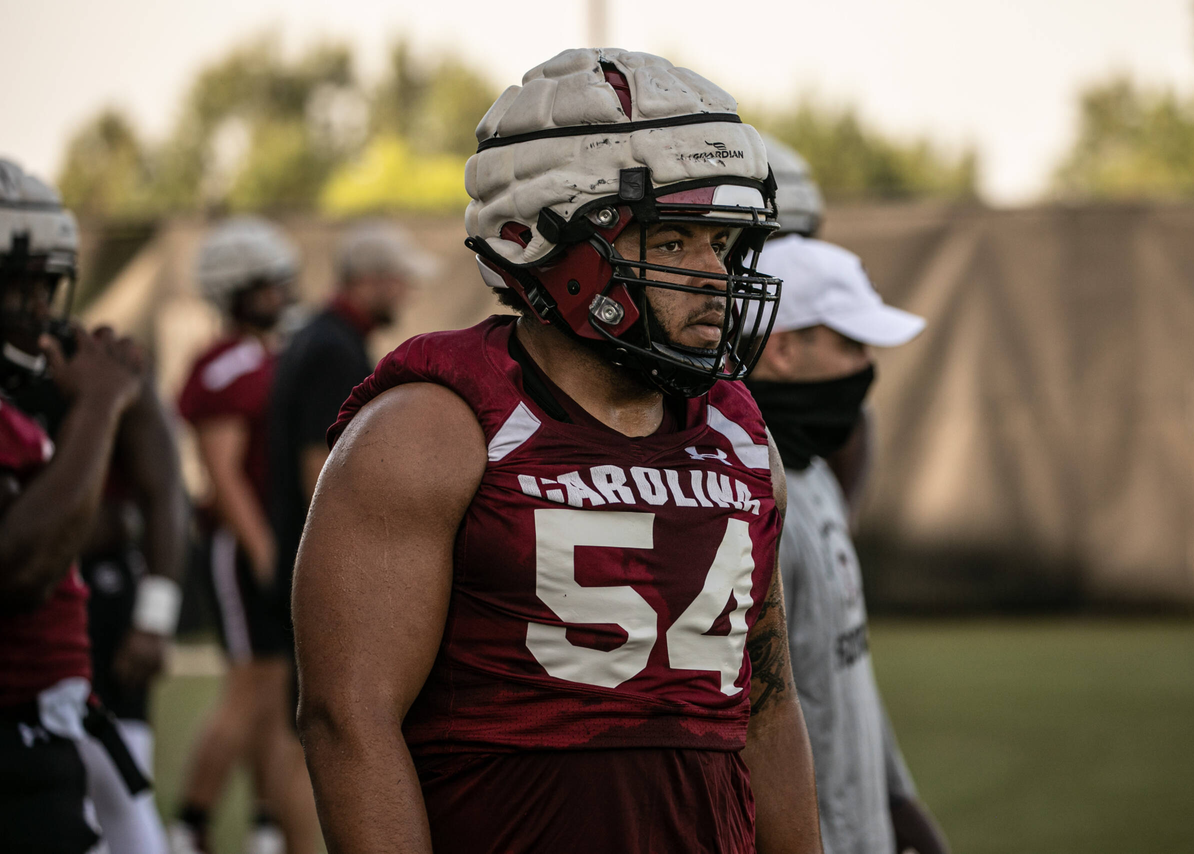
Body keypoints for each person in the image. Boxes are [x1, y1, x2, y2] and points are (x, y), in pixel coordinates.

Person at [293, 48, 822, 853]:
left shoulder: (740, 437)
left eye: (722, 242)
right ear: (548, 243)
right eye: (674, 242)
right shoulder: (433, 431)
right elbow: (349, 722)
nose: (716, 274)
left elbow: (767, 705)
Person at [0, 160, 188, 853]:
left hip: (80, 632)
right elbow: (19, 563)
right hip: (24, 702)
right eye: (16, 286)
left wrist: (157, 610)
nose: (37, 308)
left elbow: (164, 478)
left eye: (40, 286)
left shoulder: (69, 358)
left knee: (125, 816)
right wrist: (98, 405)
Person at [745, 234, 950, 854]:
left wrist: (894, 798)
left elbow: (839, 669)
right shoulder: (752, 498)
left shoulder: (809, 472)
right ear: (780, 349)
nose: (866, 367)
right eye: (850, 343)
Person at [171, 216, 315, 854]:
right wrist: (264, 552)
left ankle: (266, 824)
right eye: (267, 284)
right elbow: (222, 473)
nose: (282, 294)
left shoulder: (266, 355)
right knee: (249, 689)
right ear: (235, 290)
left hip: (271, 539)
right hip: (243, 544)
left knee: (273, 695)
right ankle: (190, 823)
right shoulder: (226, 365)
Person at [267, 220, 428, 609]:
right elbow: (319, 465)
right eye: (400, 280)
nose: (407, 293)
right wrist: (348, 565)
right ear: (369, 281)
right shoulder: (334, 349)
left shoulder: (324, 335)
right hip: (312, 553)